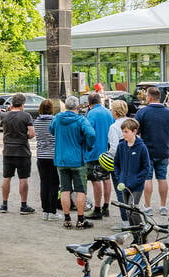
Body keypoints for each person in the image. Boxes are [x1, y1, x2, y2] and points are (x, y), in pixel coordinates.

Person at [50, 95, 96, 230]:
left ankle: (67, 219)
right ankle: (81, 220)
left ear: (66, 106)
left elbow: (51, 130)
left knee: (65, 189)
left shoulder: (57, 118)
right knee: (81, 190)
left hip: (61, 159)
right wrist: (88, 146)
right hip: (77, 160)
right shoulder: (81, 120)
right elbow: (91, 134)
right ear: (77, 107)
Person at [134, 86, 169, 215]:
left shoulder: (142, 112)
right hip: (163, 150)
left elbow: (135, 131)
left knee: (147, 178)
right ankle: (163, 206)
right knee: (162, 178)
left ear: (150, 97)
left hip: (147, 151)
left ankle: (147, 206)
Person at [0, 93, 36, 215]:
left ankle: (4, 204)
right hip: (22, 151)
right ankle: (23, 205)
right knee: (23, 179)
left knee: (6, 178)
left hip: (8, 151)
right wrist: (23, 136)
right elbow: (31, 134)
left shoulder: (4, 115)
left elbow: (5, 120)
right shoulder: (26, 116)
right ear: (23, 104)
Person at [113, 118, 152, 228]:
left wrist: (136, 180)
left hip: (136, 186)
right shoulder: (121, 146)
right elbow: (116, 164)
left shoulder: (141, 147)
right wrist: (119, 177)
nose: (123, 134)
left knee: (132, 209)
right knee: (127, 210)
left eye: (126, 131)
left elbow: (146, 167)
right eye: (123, 131)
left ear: (134, 131)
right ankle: (134, 231)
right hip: (123, 184)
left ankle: (141, 229)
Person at [84, 92, 115, 220]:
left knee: (95, 181)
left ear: (90, 103)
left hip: (94, 151)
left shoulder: (91, 114)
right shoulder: (108, 112)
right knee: (106, 179)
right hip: (106, 152)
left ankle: (97, 208)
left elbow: (88, 131)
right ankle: (106, 207)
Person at [33, 99, 60, 221]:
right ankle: (52, 211)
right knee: (54, 184)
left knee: (44, 183)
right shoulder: (54, 121)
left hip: (41, 156)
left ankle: (45, 210)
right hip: (53, 155)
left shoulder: (36, 122)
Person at [107, 100, 130, 226]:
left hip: (119, 162)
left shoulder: (114, 127)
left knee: (120, 190)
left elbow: (114, 148)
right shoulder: (131, 123)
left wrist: (107, 155)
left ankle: (125, 220)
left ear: (114, 112)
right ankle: (133, 217)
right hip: (132, 160)